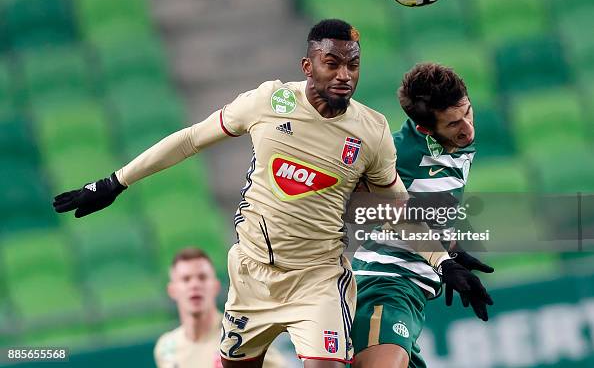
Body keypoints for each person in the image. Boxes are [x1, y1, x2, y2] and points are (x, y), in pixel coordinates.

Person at [52, 20, 485, 368]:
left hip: (318, 279)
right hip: (252, 274)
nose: (344, 75)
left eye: (352, 65)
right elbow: (190, 139)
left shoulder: (370, 132)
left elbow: (396, 208)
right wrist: (114, 181)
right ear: (307, 65)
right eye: (331, 63)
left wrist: (441, 260)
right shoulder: (267, 102)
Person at [350, 63, 494, 368]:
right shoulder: (395, 153)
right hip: (385, 283)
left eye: (468, 112)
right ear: (426, 128)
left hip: (413, 292)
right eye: (454, 123)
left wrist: (452, 250)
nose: (467, 127)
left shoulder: (457, 145)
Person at [154, 247, 286, 368]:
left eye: (202, 277)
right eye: (186, 279)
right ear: (172, 290)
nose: (194, 285)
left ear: (215, 286)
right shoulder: (166, 347)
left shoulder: (242, 337)